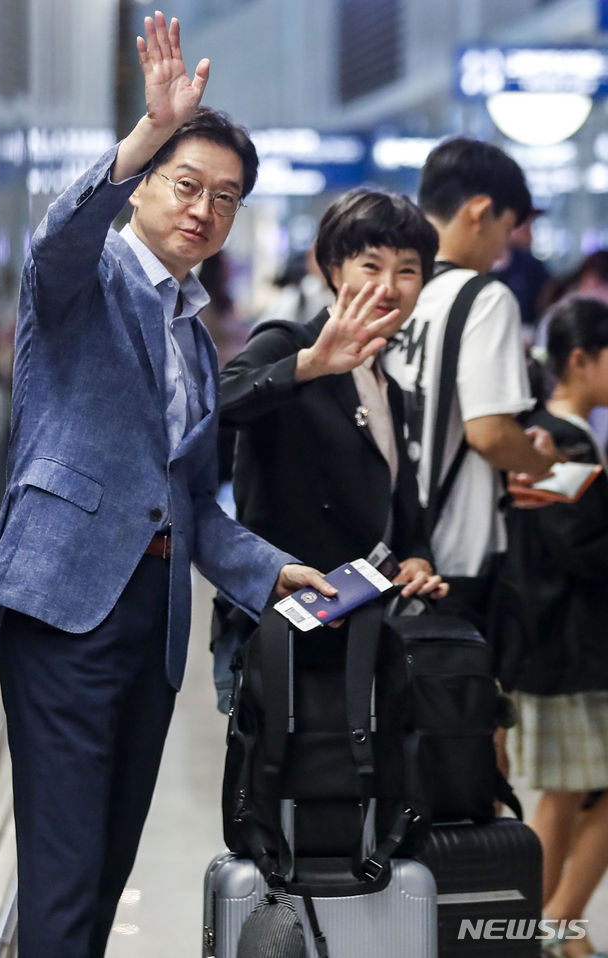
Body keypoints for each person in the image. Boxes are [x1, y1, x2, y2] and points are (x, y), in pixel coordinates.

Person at [0, 14, 382, 958]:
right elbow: (55, 242)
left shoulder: (193, 330)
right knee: (65, 873)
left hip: (152, 620)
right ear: (144, 186)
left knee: (104, 866)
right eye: (186, 184)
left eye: (225, 198)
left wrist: (276, 574)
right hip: (64, 604)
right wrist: (149, 128)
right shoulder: (86, 282)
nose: (203, 209)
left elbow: (188, 498)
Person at [215, 189, 448, 709]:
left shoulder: (390, 382)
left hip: (365, 629)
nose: (388, 286)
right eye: (371, 265)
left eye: (408, 271)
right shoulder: (288, 343)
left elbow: (401, 512)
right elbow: (216, 404)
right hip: (289, 629)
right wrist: (308, 366)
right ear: (333, 268)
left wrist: (417, 558)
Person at [382, 137, 558, 636]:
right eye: (507, 228)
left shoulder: (389, 290)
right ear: (480, 212)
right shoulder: (485, 298)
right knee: (459, 706)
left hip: (383, 542)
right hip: (455, 555)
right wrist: (545, 463)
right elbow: (489, 434)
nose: (505, 248)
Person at [494, 297, 608, 958]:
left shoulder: (554, 434)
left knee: (566, 797)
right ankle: (555, 920)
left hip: (561, 647)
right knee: (565, 798)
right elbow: (584, 547)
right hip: (569, 650)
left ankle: (551, 923)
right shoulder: (558, 441)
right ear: (579, 360)